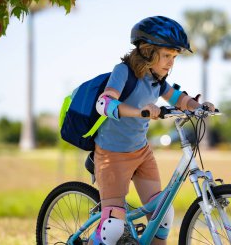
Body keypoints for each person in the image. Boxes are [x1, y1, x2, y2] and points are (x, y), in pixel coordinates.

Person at [88, 16, 215, 245]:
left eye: (174, 57)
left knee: (162, 215)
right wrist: (140, 111)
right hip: (112, 154)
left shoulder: (157, 80)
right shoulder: (123, 72)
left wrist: (199, 107)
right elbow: (104, 103)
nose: (171, 63)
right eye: (167, 56)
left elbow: (179, 99)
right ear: (147, 51)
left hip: (141, 152)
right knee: (113, 227)